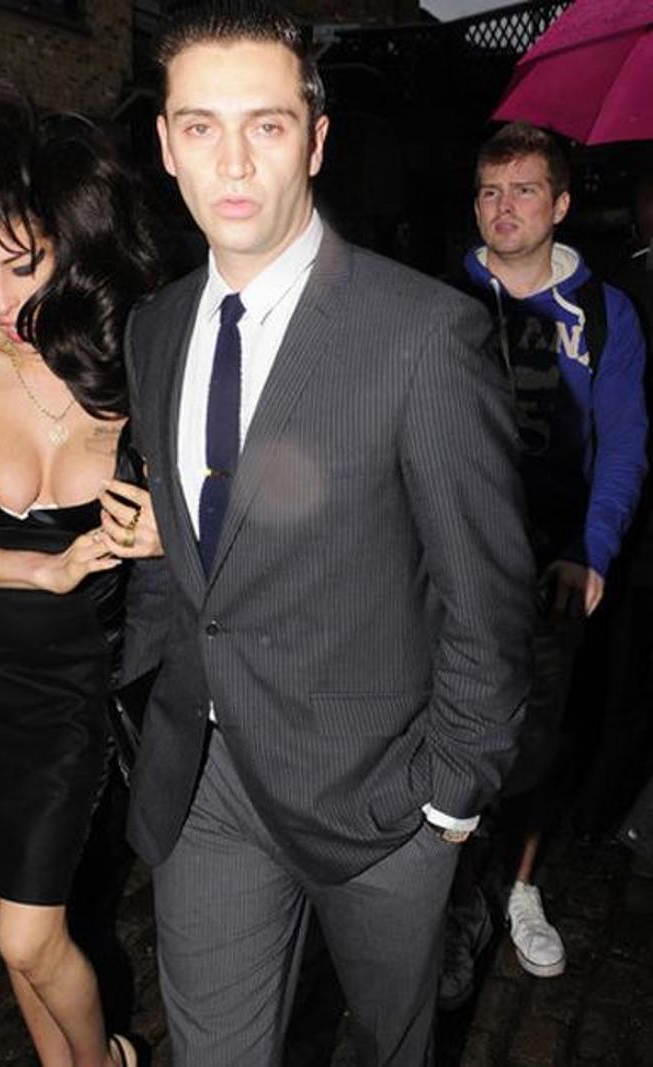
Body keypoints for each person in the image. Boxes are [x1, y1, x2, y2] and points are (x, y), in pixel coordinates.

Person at [117, 4, 534, 1064]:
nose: (232, 161)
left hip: (380, 793)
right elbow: (194, 556)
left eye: (265, 124)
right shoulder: (154, 328)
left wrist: (446, 800)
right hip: (205, 777)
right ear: (165, 145)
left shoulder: (422, 334)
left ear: (315, 139)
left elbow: (486, 598)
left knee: (390, 1044)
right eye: (201, 127)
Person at [0, 81, 160, 1067]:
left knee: (24, 935)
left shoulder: (136, 362)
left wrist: (165, 536)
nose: (2, 304)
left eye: (22, 267)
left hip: (76, 695)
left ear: (71, 245)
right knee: (13, 914)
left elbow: (237, 509)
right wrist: (41, 569)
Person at [461, 122, 647, 979]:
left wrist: (592, 550)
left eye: (525, 190)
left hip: (553, 565)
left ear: (562, 204)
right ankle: (447, 888)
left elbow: (624, 443)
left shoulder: (607, 314)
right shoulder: (442, 298)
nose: (504, 208)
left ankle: (520, 885)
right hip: (450, 560)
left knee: (539, 738)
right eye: (490, 192)